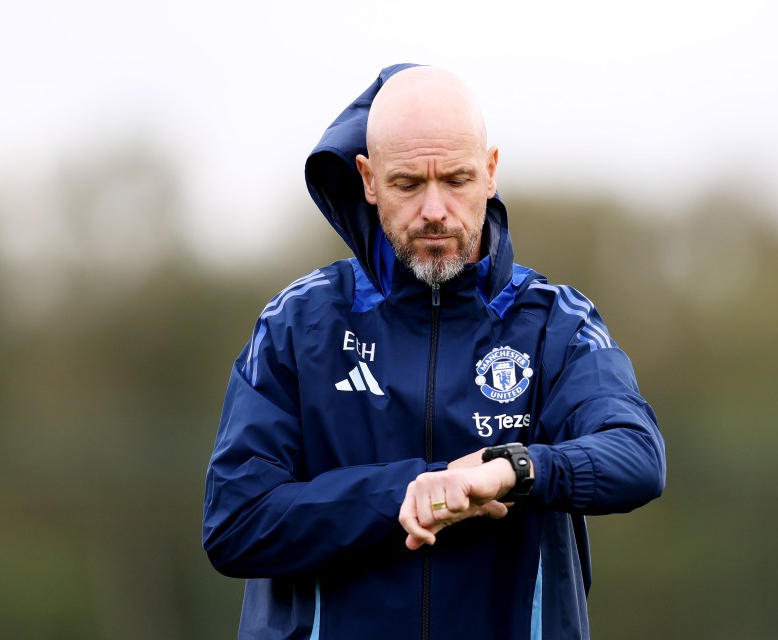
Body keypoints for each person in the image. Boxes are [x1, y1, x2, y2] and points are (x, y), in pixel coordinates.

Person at [203, 63, 666, 640]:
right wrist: (414, 491)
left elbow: (638, 456)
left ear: (490, 172)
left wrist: (513, 470)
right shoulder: (298, 324)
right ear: (368, 180)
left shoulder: (555, 323)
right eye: (407, 184)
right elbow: (236, 521)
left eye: (456, 179)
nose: (435, 210)